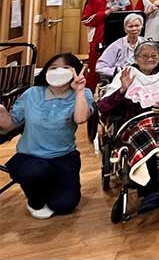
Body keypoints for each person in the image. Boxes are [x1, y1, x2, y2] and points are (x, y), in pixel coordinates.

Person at [98, 41, 159, 213]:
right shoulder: (127, 73)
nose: (149, 59)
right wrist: (122, 90)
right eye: (144, 56)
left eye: (154, 56)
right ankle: (150, 193)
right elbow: (104, 106)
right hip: (137, 121)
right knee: (142, 135)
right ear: (136, 58)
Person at [0, 53, 93, 219]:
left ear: (76, 72)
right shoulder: (32, 93)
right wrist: (1, 111)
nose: (59, 72)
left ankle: (52, 187)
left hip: (64, 156)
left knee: (65, 205)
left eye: (66, 68)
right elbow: (11, 124)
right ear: (46, 71)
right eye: (53, 68)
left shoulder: (83, 94)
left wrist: (79, 90)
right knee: (35, 172)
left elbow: (80, 118)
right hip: (30, 156)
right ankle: (34, 200)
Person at [81, 0, 132, 89]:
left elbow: (131, 18)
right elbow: (86, 20)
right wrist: (107, 12)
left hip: (121, 38)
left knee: (121, 69)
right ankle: (90, 95)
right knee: (95, 70)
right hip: (99, 38)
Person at [96, 13, 145, 81]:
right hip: (121, 80)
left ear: (142, 26)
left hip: (143, 78)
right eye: (130, 26)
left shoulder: (146, 43)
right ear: (125, 29)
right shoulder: (116, 45)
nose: (134, 29)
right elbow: (100, 67)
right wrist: (118, 70)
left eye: (137, 26)